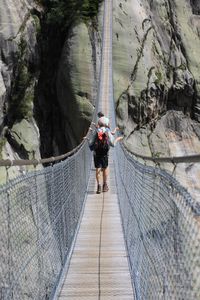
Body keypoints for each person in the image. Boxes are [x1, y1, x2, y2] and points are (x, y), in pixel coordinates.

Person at [89, 118, 123, 194]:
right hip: (105, 154)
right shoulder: (107, 131)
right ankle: (105, 185)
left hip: (97, 153)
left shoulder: (96, 131)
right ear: (107, 124)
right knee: (105, 168)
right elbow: (113, 144)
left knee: (98, 168)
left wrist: (89, 143)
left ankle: (99, 186)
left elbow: (91, 145)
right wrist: (118, 139)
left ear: (99, 123)